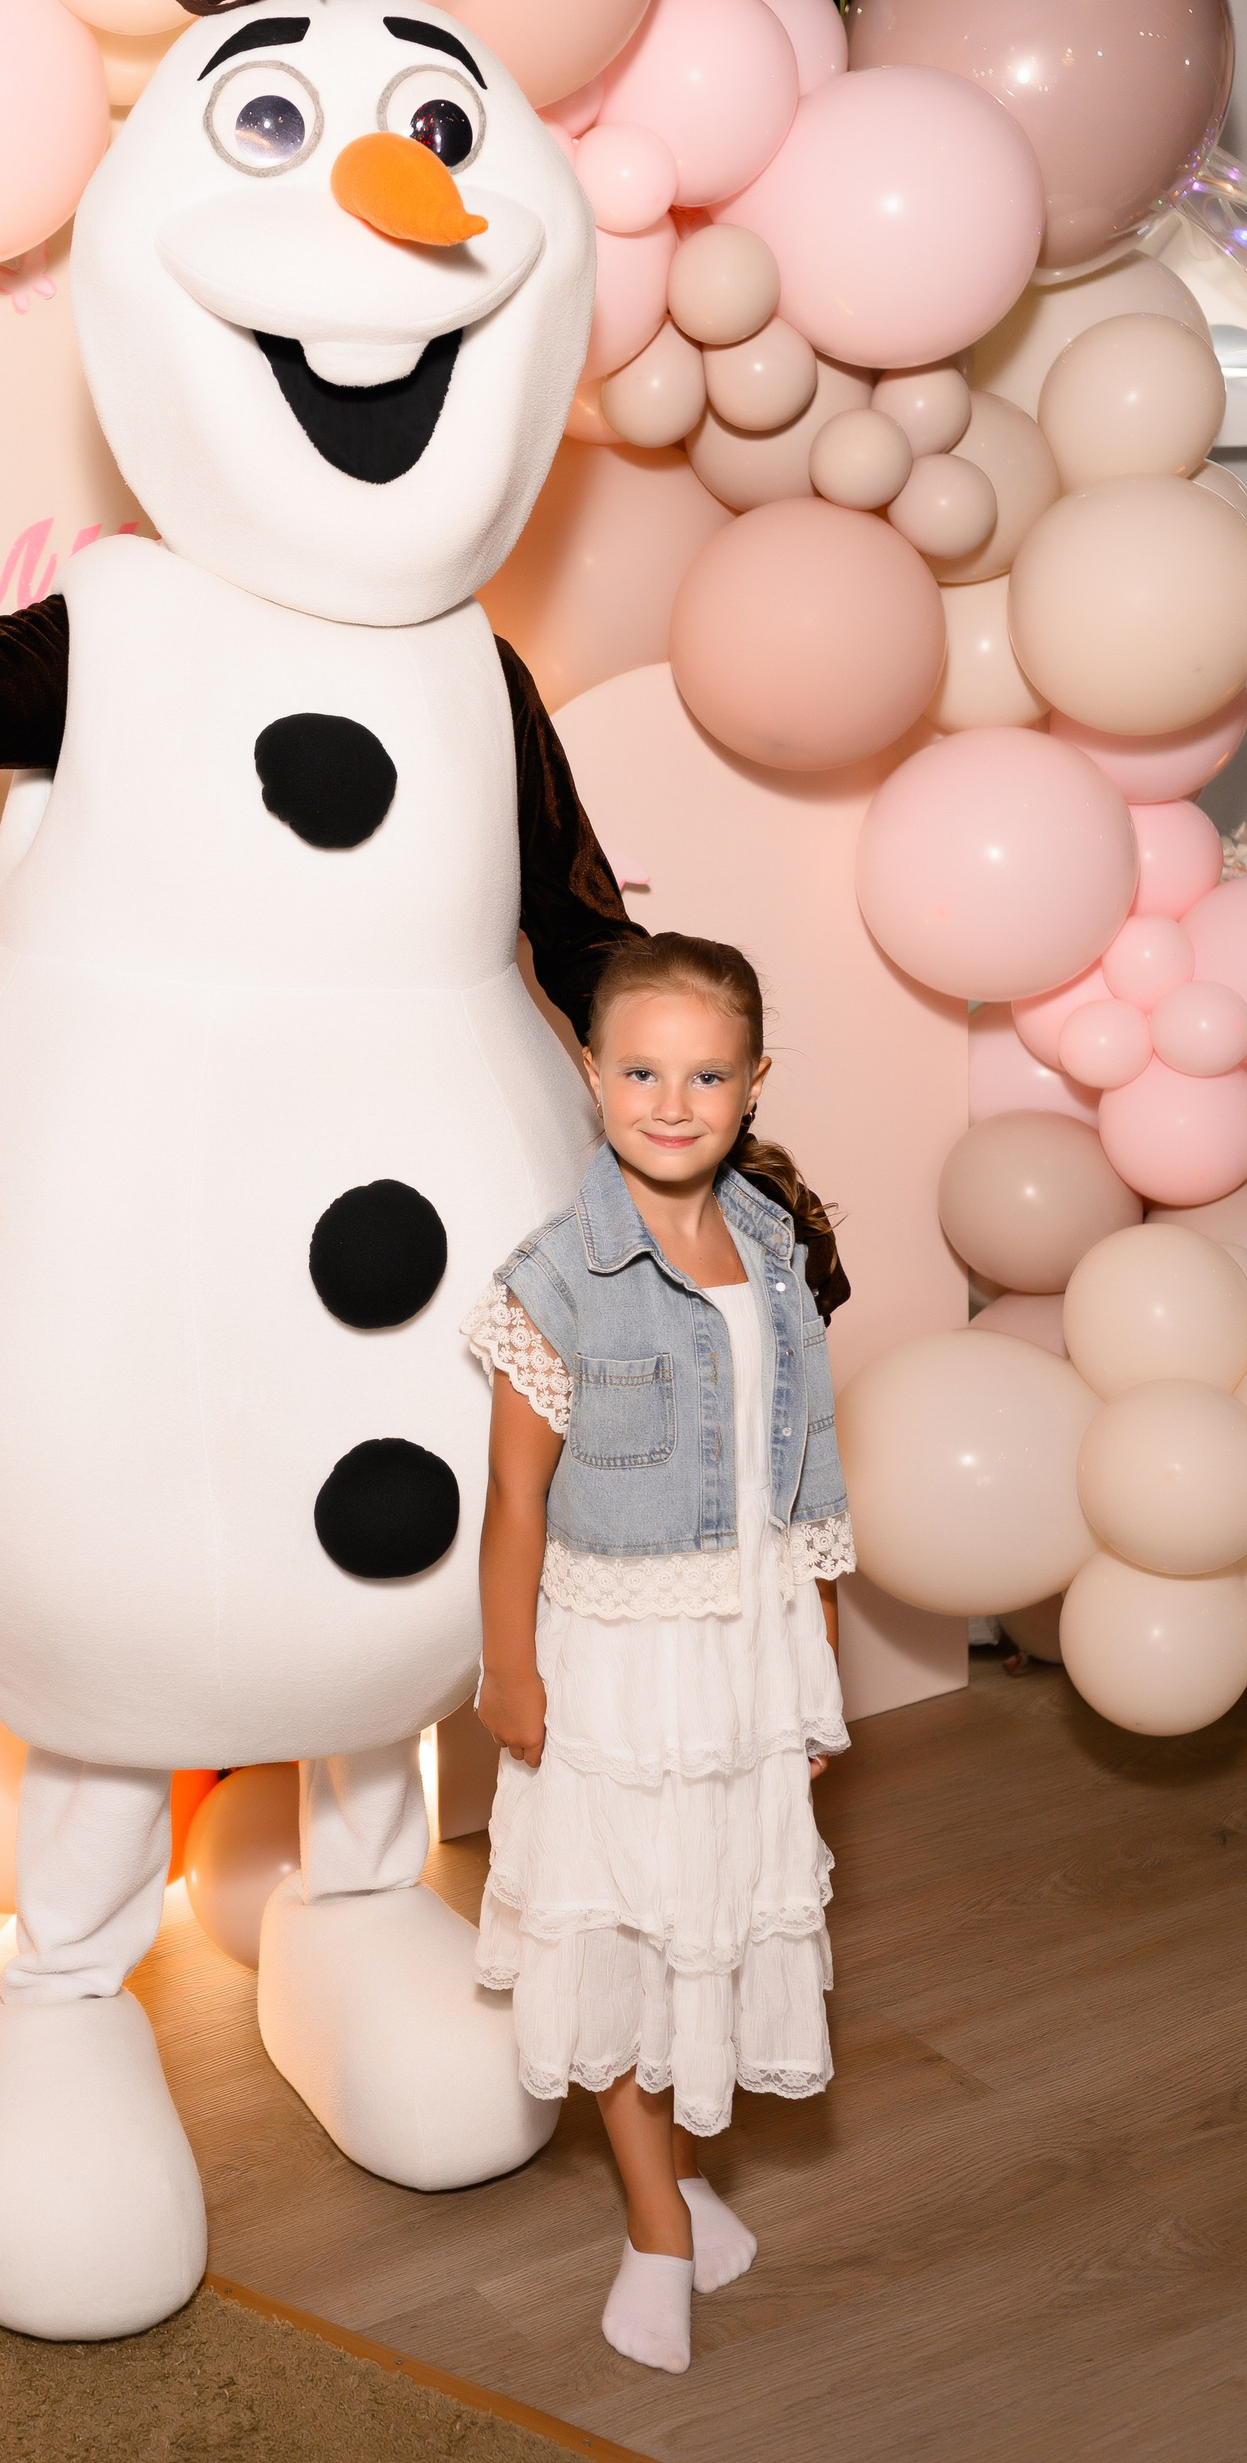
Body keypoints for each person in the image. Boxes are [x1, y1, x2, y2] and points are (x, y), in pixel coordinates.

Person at [465, 931, 854, 2376]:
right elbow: (515, 1496)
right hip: (620, 1666)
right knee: (625, 1933)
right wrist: (510, 1667)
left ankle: (682, 2186)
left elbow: (807, 1469)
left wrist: (815, 1656)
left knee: (715, 1922)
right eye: (640, 1071)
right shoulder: (556, 1279)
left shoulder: (773, 1251)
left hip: (749, 1650)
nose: (671, 1103)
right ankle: (655, 2227)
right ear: (591, 1072)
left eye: (704, 1075)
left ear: (755, 1083)